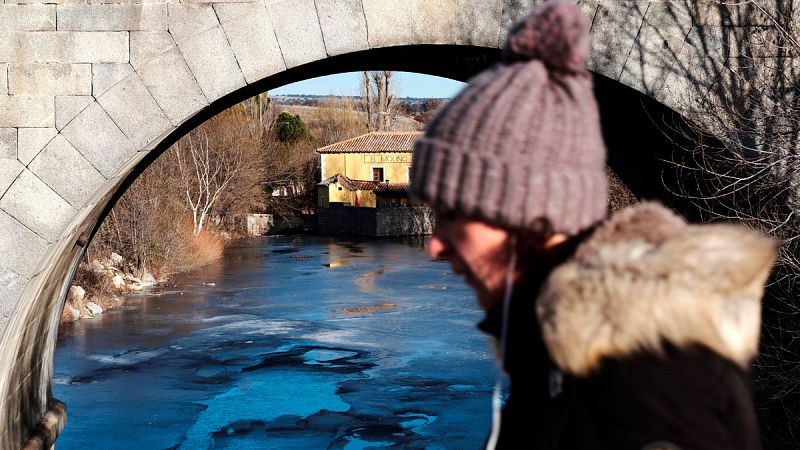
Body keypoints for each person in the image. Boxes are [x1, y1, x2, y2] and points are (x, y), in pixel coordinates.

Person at [409, 1, 777, 449]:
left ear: (528, 216)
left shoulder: (646, 383)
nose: (433, 247)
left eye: (451, 215)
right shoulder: (563, 360)